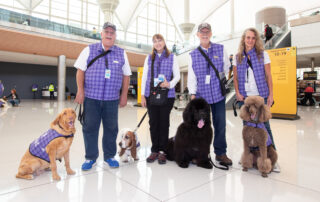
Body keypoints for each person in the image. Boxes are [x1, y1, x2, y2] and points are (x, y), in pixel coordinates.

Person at [74, 22, 131, 170]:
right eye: (106, 31)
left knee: (111, 129)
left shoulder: (121, 53)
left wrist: (124, 95)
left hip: (112, 100)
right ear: (101, 34)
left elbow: (126, 76)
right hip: (91, 98)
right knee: (90, 128)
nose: (109, 34)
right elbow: (80, 71)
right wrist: (80, 91)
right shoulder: (89, 50)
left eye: (112, 32)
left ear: (115, 36)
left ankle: (109, 156)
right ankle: (90, 158)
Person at [233, 27, 280, 172]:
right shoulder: (237, 57)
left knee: (265, 127)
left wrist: (271, 95)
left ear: (256, 40)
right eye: (248, 37)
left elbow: (268, 76)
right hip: (245, 98)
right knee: (247, 128)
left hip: (261, 96)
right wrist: (237, 92)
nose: (250, 40)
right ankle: (249, 157)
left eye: (253, 38)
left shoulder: (263, 55)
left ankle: (272, 158)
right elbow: (235, 77)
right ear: (244, 39)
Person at [187, 23, 232, 166]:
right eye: (202, 32)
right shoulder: (192, 55)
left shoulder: (221, 49)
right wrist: (192, 94)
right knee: (201, 127)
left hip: (218, 95)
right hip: (201, 97)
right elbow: (192, 77)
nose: (205, 34)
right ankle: (201, 153)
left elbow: (226, 67)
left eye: (207, 31)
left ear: (211, 33)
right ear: (198, 35)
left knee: (220, 124)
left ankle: (220, 153)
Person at [141, 34, 180, 164]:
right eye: (155, 41)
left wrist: (169, 84)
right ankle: (154, 150)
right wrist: (142, 95)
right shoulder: (149, 58)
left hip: (167, 95)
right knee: (153, 123)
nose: (158, 43)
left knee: (164, 122)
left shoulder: (172, 57)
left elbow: (177, 76)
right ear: (153, 44)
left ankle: (163, 151)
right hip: (150, 95)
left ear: (164, 42)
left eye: (160, 40)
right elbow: (145, 77)